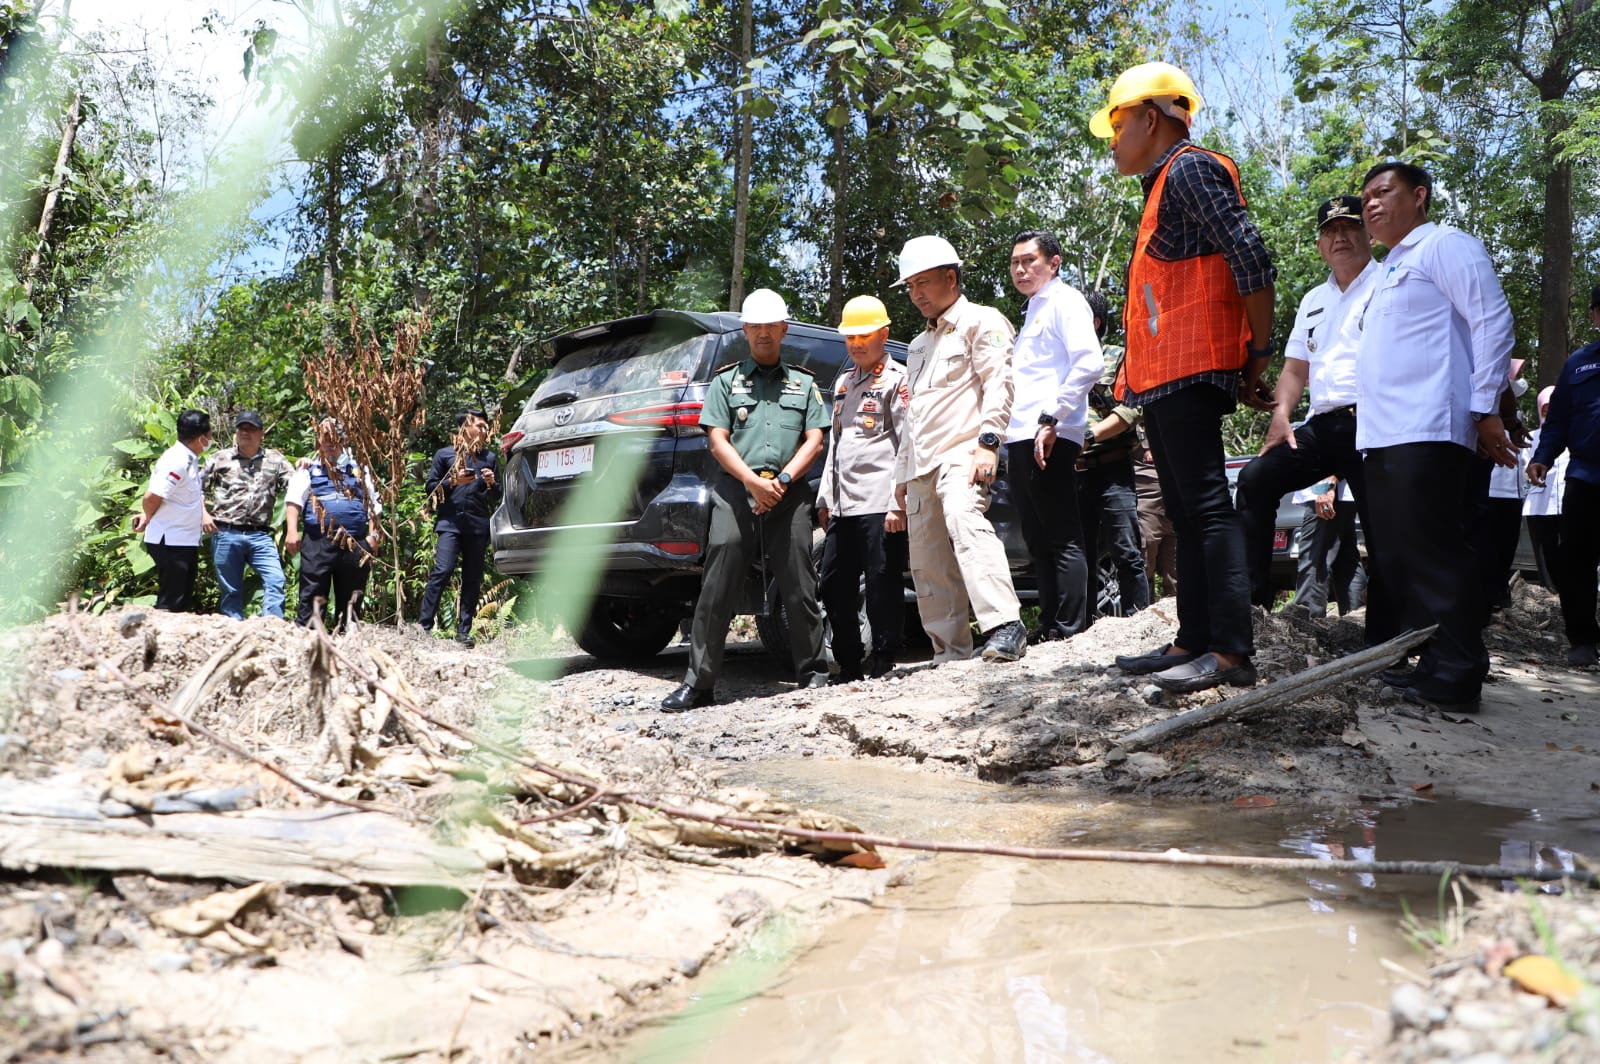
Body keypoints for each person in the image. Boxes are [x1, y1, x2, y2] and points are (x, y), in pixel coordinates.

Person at [1091, 61, 1276, 693]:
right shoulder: (1162, 184)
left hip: (1196, 369)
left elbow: (1251, 254)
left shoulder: (1191, 168)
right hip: (1167, 376)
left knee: (1206, 508)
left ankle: (1230, 653)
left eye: (1117, 127)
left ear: (1150, 118)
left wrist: (1258, 353)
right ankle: (1192, 642)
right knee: (1187, 511)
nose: (1112, 141)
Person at [1357, 160, 1516, 711]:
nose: (1371, 205)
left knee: (1437, 552)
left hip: (1427, 427)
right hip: (1384, 434)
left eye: (1384, 192)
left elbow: (1492, 320)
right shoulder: (1387, 270)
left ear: (1420, 196)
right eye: (1365, 198)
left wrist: (1484, 408)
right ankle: (1434, 658)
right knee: (1403, 557)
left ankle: (1458, 672)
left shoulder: (1444, 245)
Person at [662, 288, 830, 710]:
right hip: (734, 494)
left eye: (771, 326)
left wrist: (785, 478)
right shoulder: (726, 382)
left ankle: (813, 674)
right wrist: (753, 484)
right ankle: (699, 685)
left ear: (784, 329)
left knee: (799, 586)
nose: (763, 334)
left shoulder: (804, 384)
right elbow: (718, 441)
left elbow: (816, 438)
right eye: (755, 327)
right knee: (716, 588)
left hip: (789, 495)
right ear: (746, 331)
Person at [1234, 195, 1381, 626]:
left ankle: (1391, 621)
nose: (1340, 237)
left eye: (1349, 227)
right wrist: (1280, 415)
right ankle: (1253, 604)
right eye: (1330, 231)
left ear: (1368, 233)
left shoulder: (1389, 282)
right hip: (1322, 425)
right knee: (1255, 479)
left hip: (1373, 422)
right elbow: (1296, 368)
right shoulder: (1314, 299)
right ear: (1319, 245)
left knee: (1384, 520)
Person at [892, 235, 1026, 664]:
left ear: (951, 278)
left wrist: (989, 444)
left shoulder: (981, 322)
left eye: (924, 283)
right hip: (922, 464)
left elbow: (1000, 384)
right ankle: (950, 653)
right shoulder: (916, 346)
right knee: (927, 559)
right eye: (910, 286)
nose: (916, 294)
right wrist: (901, 475)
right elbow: (914, 418)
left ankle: (1006, 625)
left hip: (964, 452)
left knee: (964, 519)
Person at [1004, 229, 1104, 642]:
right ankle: (1049, 626)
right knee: (1036, 536)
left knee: (1061, 533)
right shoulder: (1032, 309)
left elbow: (1090, 363)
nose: (1021, 269)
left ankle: (1069, 628)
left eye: (1030, 260)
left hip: (1050, 431)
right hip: (1021, 432)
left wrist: (1053, 417)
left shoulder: (1065, 301)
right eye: (1015, 263)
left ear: (1054, 262)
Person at [816, 296, 910, 682]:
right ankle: (849, 663)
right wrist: (825, 496)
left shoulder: (898, 379)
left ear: (883, 335)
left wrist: (898, 503)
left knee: (881, 586)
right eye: (850, 337)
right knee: (834, 585)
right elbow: (836, 445)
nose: (856, 344)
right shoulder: (843, 382)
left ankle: (886, 661)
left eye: (864, 336)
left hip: (880, 502)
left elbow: (908, 443)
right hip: (843, 505)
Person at [1528, 283, 1600, 667]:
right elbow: (1556, 421)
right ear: (1594, 316)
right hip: (1586, 477)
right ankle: (1583, 640)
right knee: (1575, 561)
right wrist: (1543, 456)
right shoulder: (1578, 364)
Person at [1079, 289, 1149, 618]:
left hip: (1111, 467)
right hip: (1071, 472)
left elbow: (1132, 410)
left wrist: (1089, 436)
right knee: (1079, 553)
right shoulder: (1055, 364)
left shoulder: (1118, 357)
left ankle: (1138, 619)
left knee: (1126, 548)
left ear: (1093, 322)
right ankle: (1080, 625)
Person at [285, 417, 383, 632]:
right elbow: (294, 501)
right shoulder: (308, 469)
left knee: (352, 595)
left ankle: (348, 640)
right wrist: (292, 531)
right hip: (318, 542)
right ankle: (309, 641)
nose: (328, 442)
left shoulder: (360, 470)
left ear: (343, 439)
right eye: (324, 437)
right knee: (313, 592)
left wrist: (373, 536)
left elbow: (374, 505)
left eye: (333, 437)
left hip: (355, 544)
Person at [418, 409, 500, 647]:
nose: (485, 431)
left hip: (477, 525)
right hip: (450, 523)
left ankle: (464, 631)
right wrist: (453, 481)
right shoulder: (445, 455)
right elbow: (430, 488)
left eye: (486, 427)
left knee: (472, 578)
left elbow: (497, 495)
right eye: (480, 426)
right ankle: (424, 626)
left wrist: (491, 483)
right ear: (466, 428)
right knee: (442, 570)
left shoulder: (490, 458)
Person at [201, 410, 294, 619]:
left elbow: (297, 486)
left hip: (259, 535)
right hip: (226, 532)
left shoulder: (276, 460)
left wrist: (307, 465)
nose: (246, 433)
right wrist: (204, 515)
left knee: (275, 579)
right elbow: (196, 488)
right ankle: (233, 633)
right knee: (231, 590)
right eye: (242, 428)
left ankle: (272, 628)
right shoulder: (219, 458)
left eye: (251, 429)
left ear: (262, 434)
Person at [132, 409, 213, 612]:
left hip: (183, 539)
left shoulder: (189, 458)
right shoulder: (177, 461)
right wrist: (147, 516)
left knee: (181, 597)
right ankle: (156, 641)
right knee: (171, 602)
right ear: (202, 437)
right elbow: (152, 496)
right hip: (171, 541)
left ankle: (171, 640)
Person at [1288, 477, 1362, 618]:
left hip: (1327, 492)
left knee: (1314, 560)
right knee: (1347, 563)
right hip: (1343, 494)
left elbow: (1334, 455)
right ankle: (1356, 621)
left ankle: (1306, 625)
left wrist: (1325, 489)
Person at [1524, 385, 1568, 592]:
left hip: (1569, 503)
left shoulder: (1573, 435)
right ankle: (1548, 590)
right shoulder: (1529, 438)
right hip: (1539, 505)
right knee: (1544, 550)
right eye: (1545, 407)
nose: (1548, 411)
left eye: (1554, 406)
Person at [1134, 432, 1177, 602]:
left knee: (1177, 570)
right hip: (1146, 490)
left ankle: (1181, 620)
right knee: (1144, 560)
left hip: (1180, 488)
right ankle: (1142, 616)